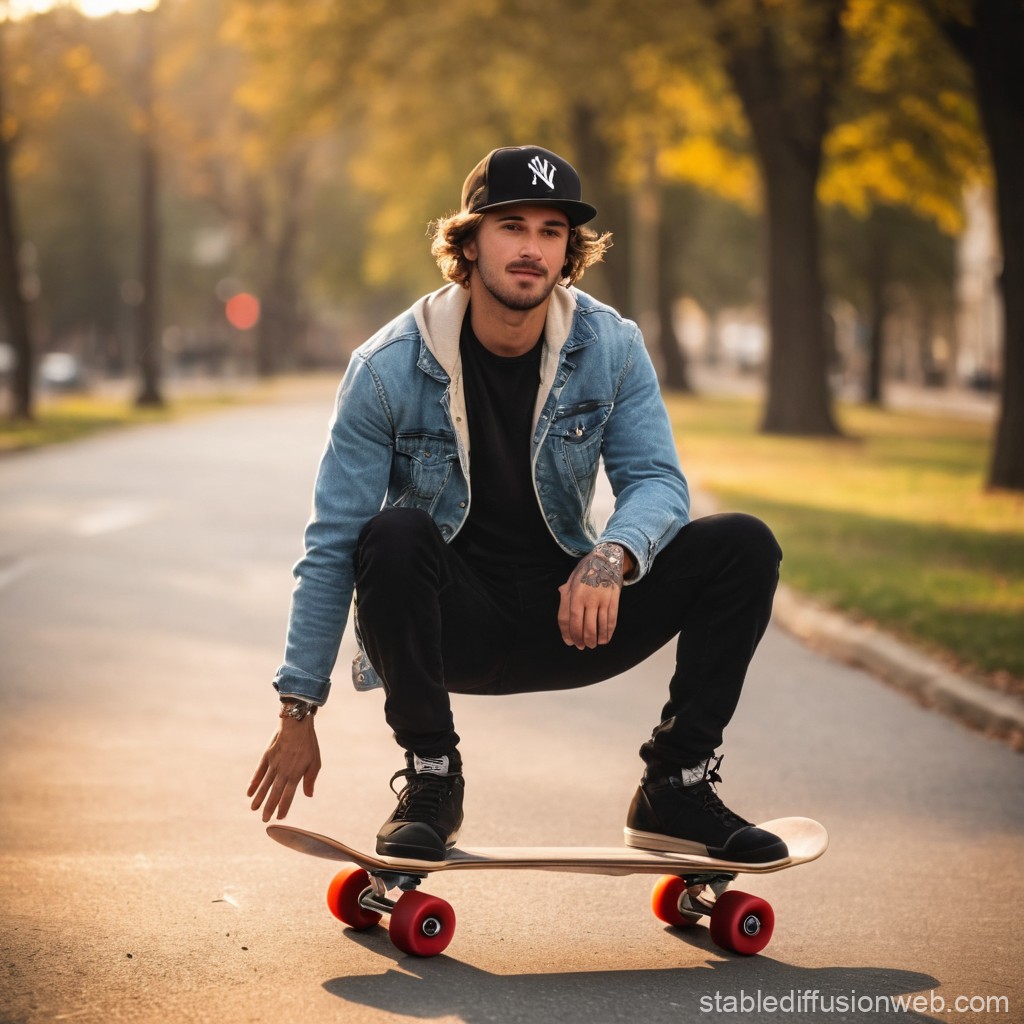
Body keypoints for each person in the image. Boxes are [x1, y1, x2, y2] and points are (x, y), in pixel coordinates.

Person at [248, 144, 787, 866]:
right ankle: (433, 781)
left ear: (569, 252)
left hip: (572, 618)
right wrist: (298, 709)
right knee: (391, 534)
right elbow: (332, 544)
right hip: (450, 631)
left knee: (743, 545)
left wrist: (611, 555)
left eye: (551, 231)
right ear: (467, 243)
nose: (532, 249)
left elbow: (658, 481)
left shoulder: (611, 347)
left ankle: (676, 786)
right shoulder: (387, 368)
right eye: (511, 227)